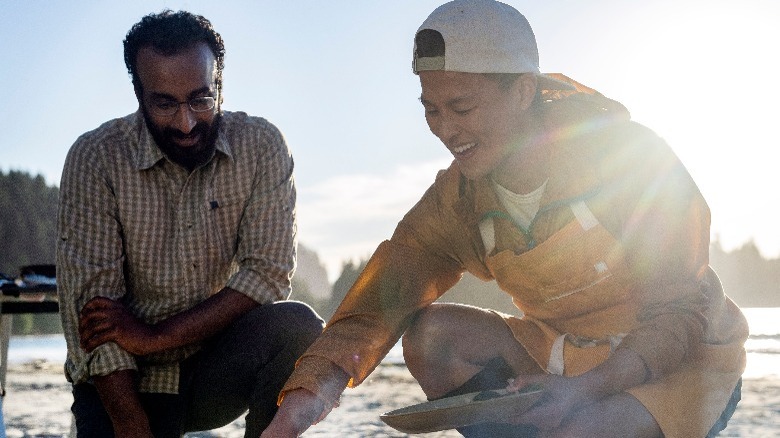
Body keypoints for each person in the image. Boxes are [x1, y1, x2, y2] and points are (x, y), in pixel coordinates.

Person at [264, 1, 749, 437]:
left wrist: (587, 390)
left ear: (522, 92)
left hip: (680, 360)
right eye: (431, 109)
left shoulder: (628, 157)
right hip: (566, 354)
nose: (446, 130)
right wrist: (308, 398)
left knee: (582, 430)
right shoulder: (456, 199)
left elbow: (680, 312)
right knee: (431, 337)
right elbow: (382, 300)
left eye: (462, 107)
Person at [56, 10, 324, 438]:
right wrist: (131, 423)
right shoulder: (96, 157)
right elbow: (94, 316)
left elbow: (267, 273)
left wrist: (156, 336)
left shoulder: (261, 145)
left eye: (201, 99)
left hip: (209, 369)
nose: (186, 123)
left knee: (298, 328)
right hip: (123, 380)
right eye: (164, 103)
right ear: (139, 93)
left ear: (220, 84)